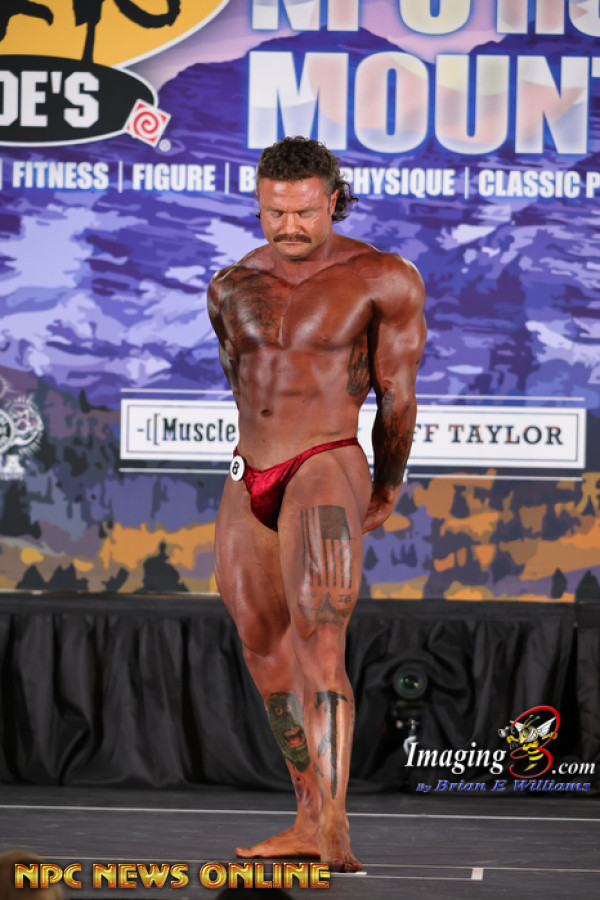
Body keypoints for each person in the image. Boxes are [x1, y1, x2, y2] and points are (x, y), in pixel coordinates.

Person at [207, 136, 426, 872]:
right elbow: (244, 384)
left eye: (303, 212)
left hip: (324, 460)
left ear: (333, 200)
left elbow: (398, 396)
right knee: (261, 643)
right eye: (274, 212)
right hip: (249, 470)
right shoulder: (231, 284)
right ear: (259, 204)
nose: (289, 226)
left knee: (319, 639)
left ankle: (334, 825)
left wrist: (386, 481)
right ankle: (306, 813)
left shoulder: (382, 278)